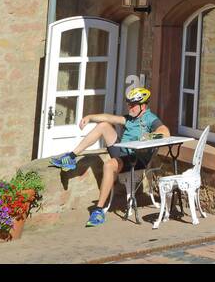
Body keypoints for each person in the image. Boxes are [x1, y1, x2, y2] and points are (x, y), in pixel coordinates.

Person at [49, 86, 170, 227]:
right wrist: (89, 117)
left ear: (143, 106)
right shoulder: (130, 118)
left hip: (135, 159)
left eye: (132, 105)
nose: (129, 107)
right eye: (128, 104)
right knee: (104, 125)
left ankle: (99, 210)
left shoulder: (150, 119)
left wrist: (149, 136)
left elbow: (165, 132)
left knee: (109, 164)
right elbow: (109, 117)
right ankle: (71, 156)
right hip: (122, 152)